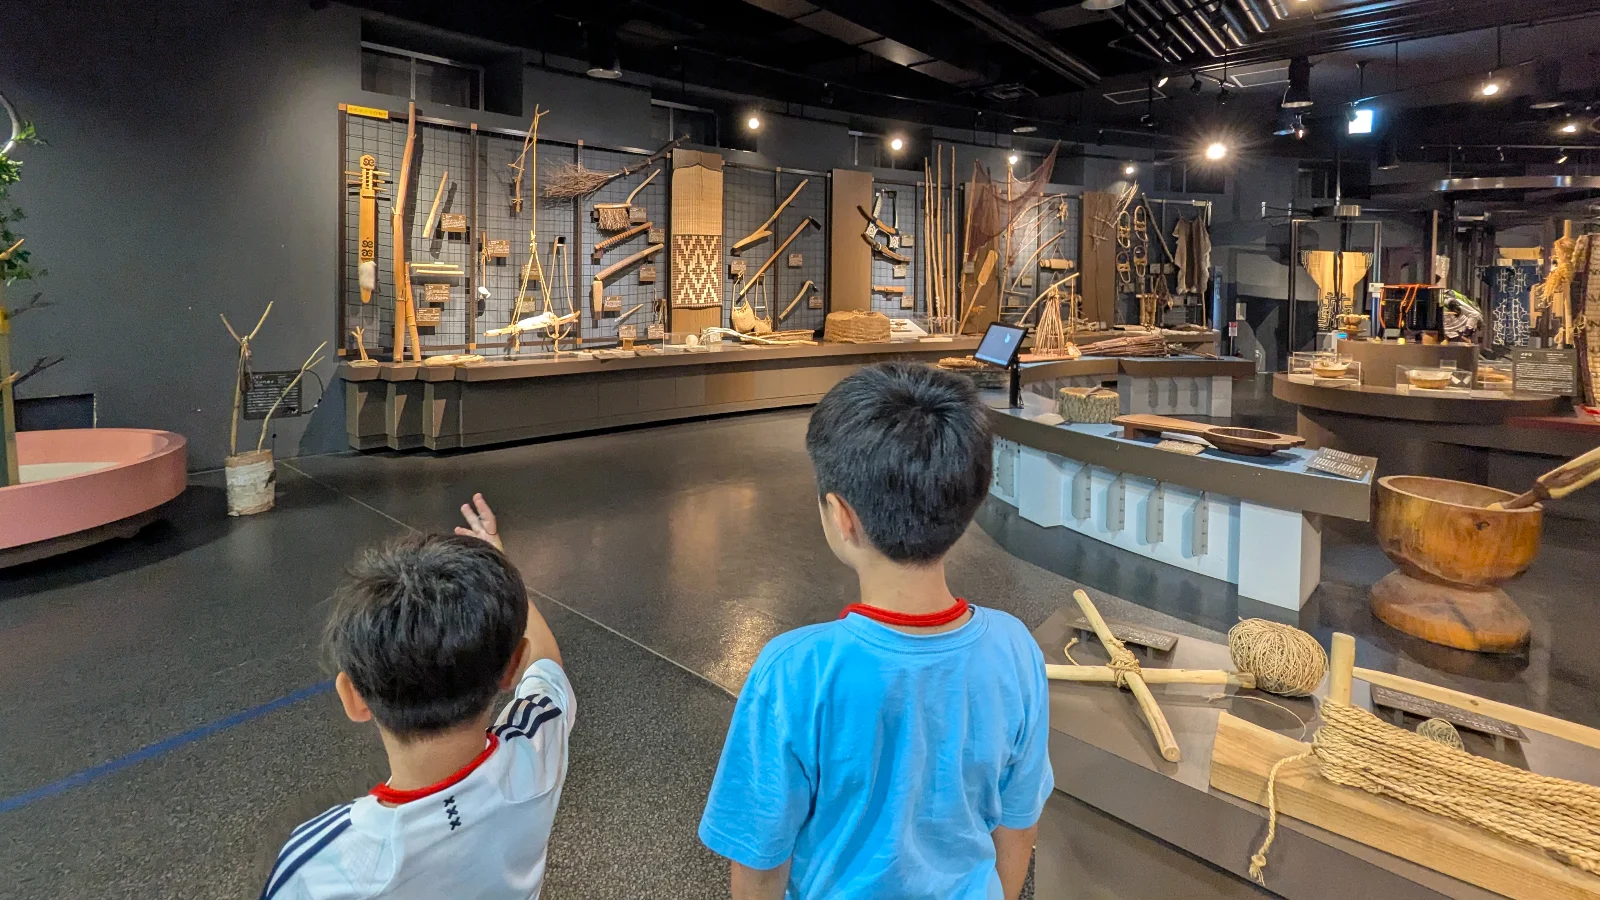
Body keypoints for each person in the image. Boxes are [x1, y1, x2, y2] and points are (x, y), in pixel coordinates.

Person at [698, 362, 1054, 900]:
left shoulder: (795, 672)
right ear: (972, 501)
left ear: (841, 517)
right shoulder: (1015, 650)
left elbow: (760, 865)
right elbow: (1019, 826)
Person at [259, 495, 572, 900]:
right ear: (511, 668)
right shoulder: (536, 749)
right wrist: (500, 568)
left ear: (353, 697)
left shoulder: (319, 869)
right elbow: (547, 666)